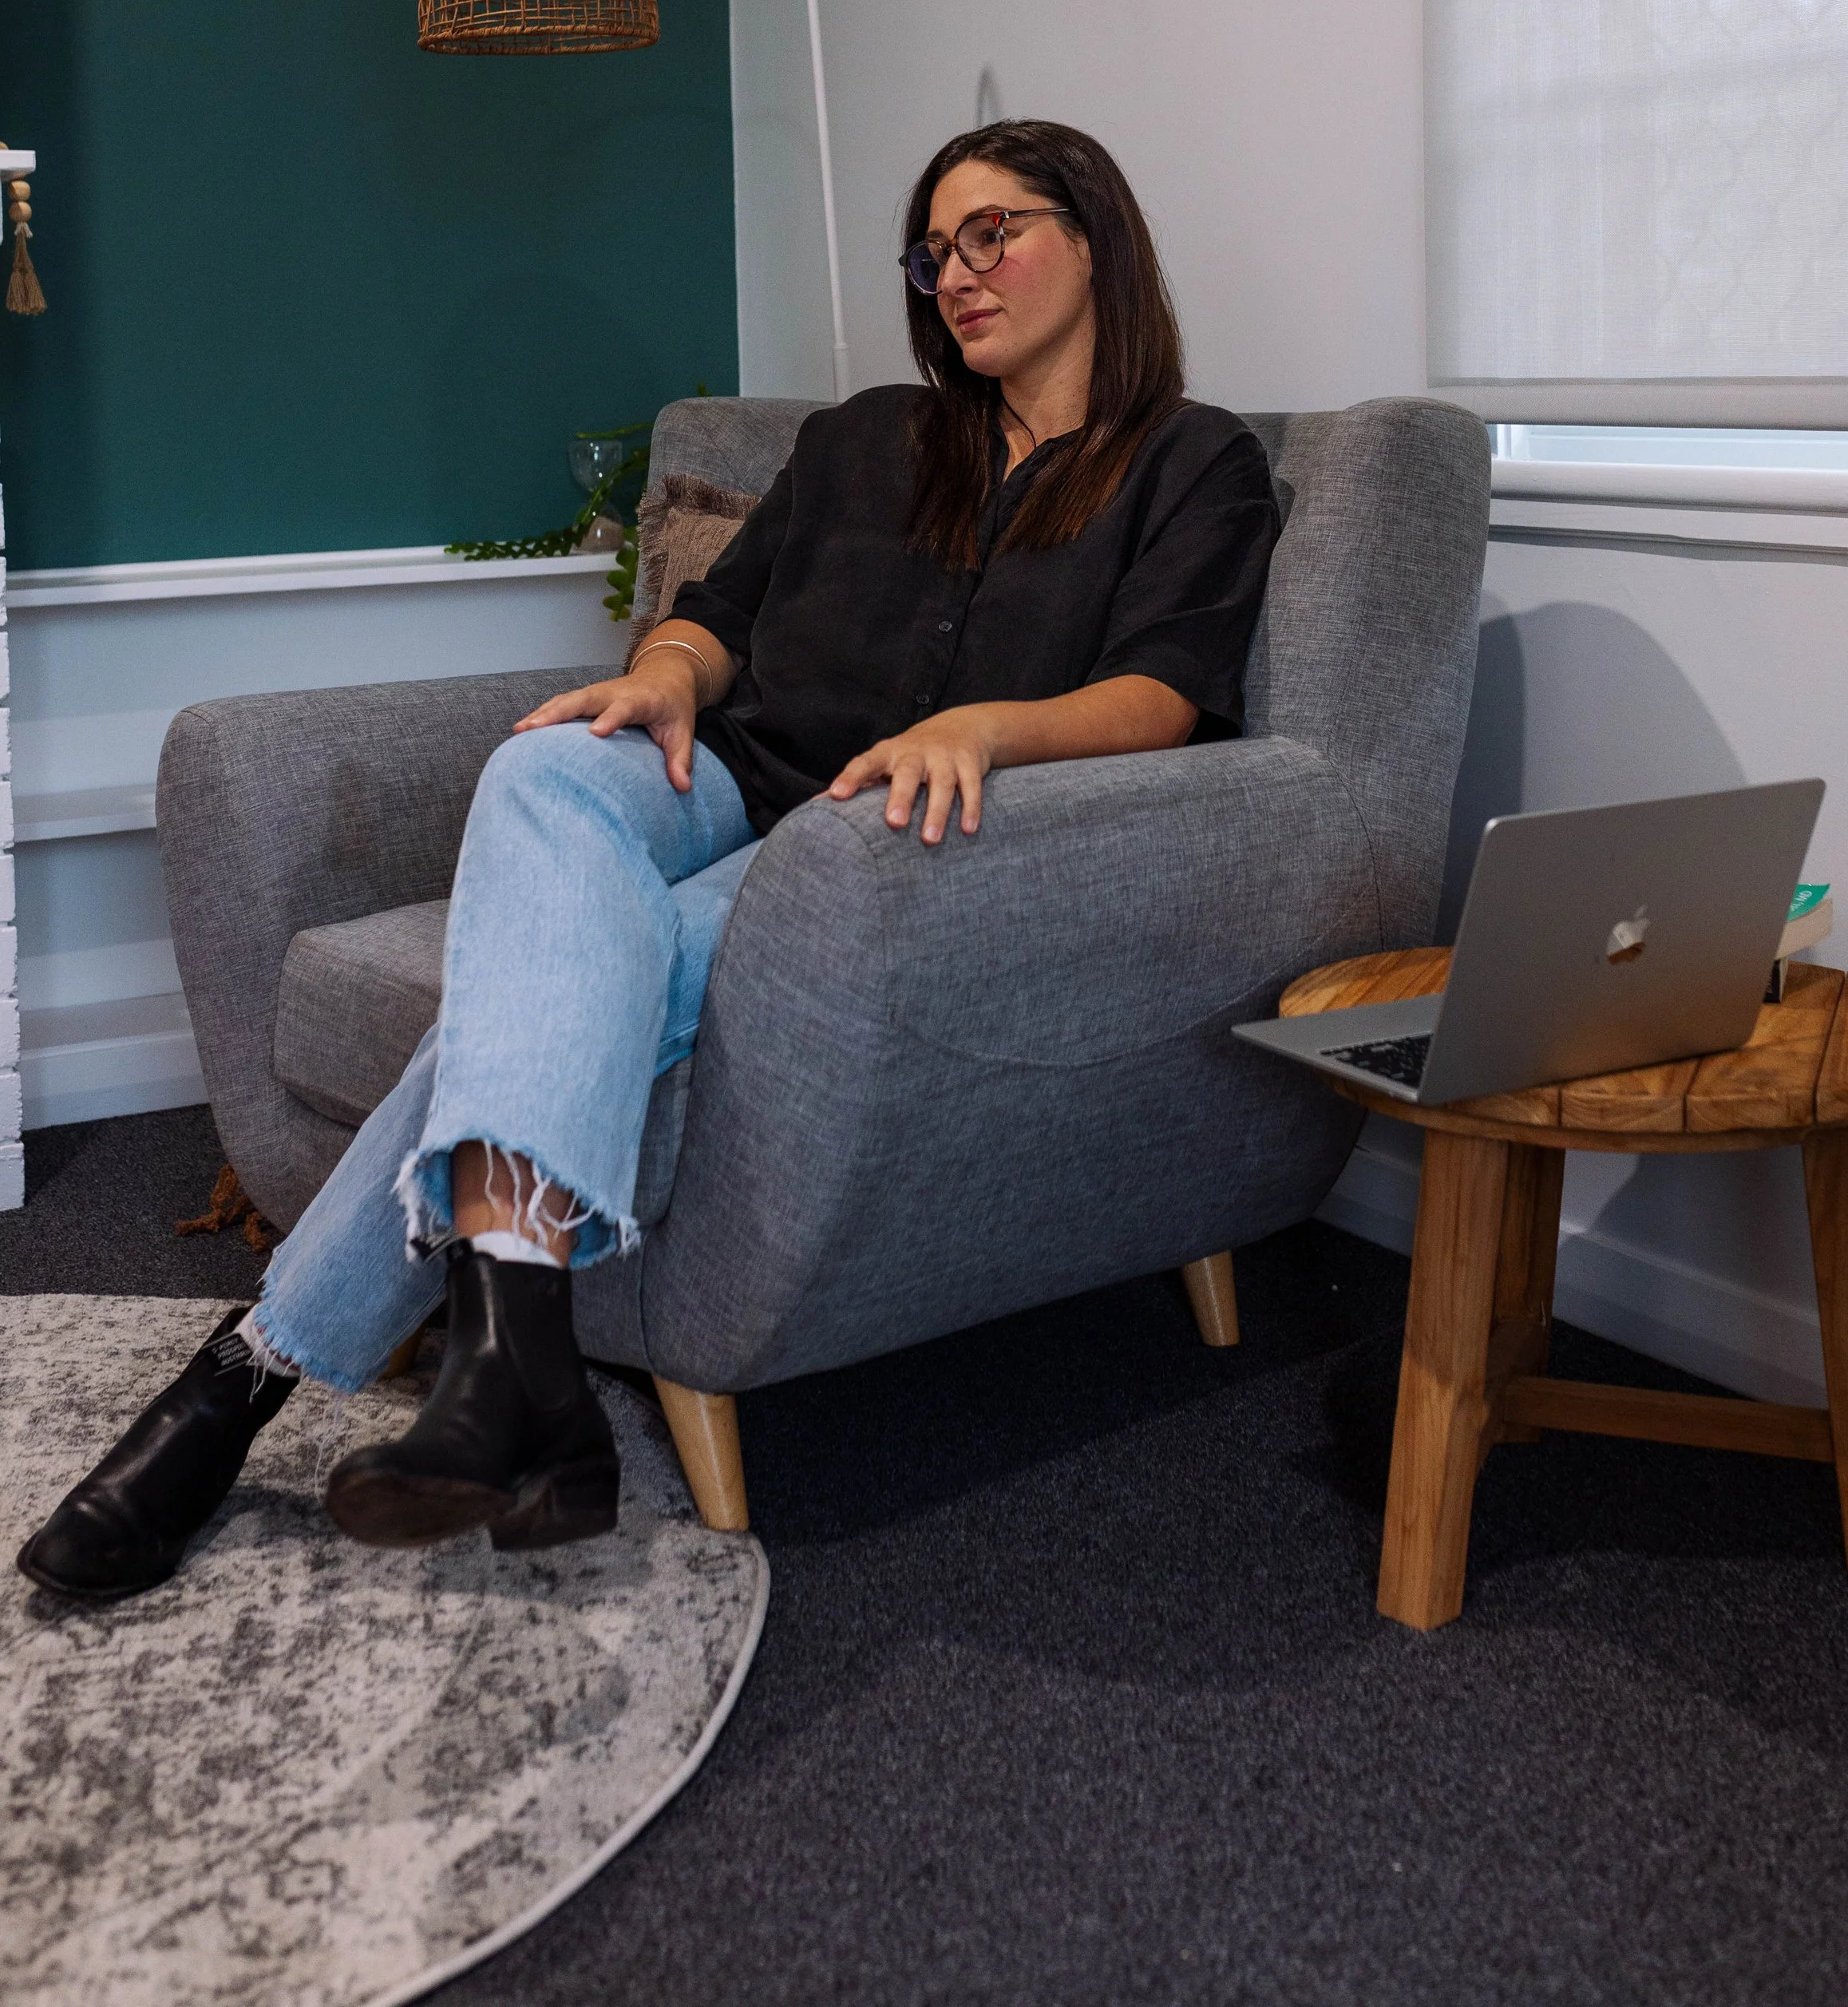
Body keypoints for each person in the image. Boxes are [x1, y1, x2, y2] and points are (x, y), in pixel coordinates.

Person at [18, 121, 1280, 1600]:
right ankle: (519, 1364)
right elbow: (714, 617)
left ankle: (252, 1384)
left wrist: (990, 729)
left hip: (868, 847)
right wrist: (673, 671)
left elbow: (1164, 696)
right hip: (731, 777)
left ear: (1096, 236)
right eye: (934, 251)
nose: (956, 274)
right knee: (549, 764)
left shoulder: (1194, 462)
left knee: (545, 989)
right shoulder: (868, 435)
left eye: (993, 233)